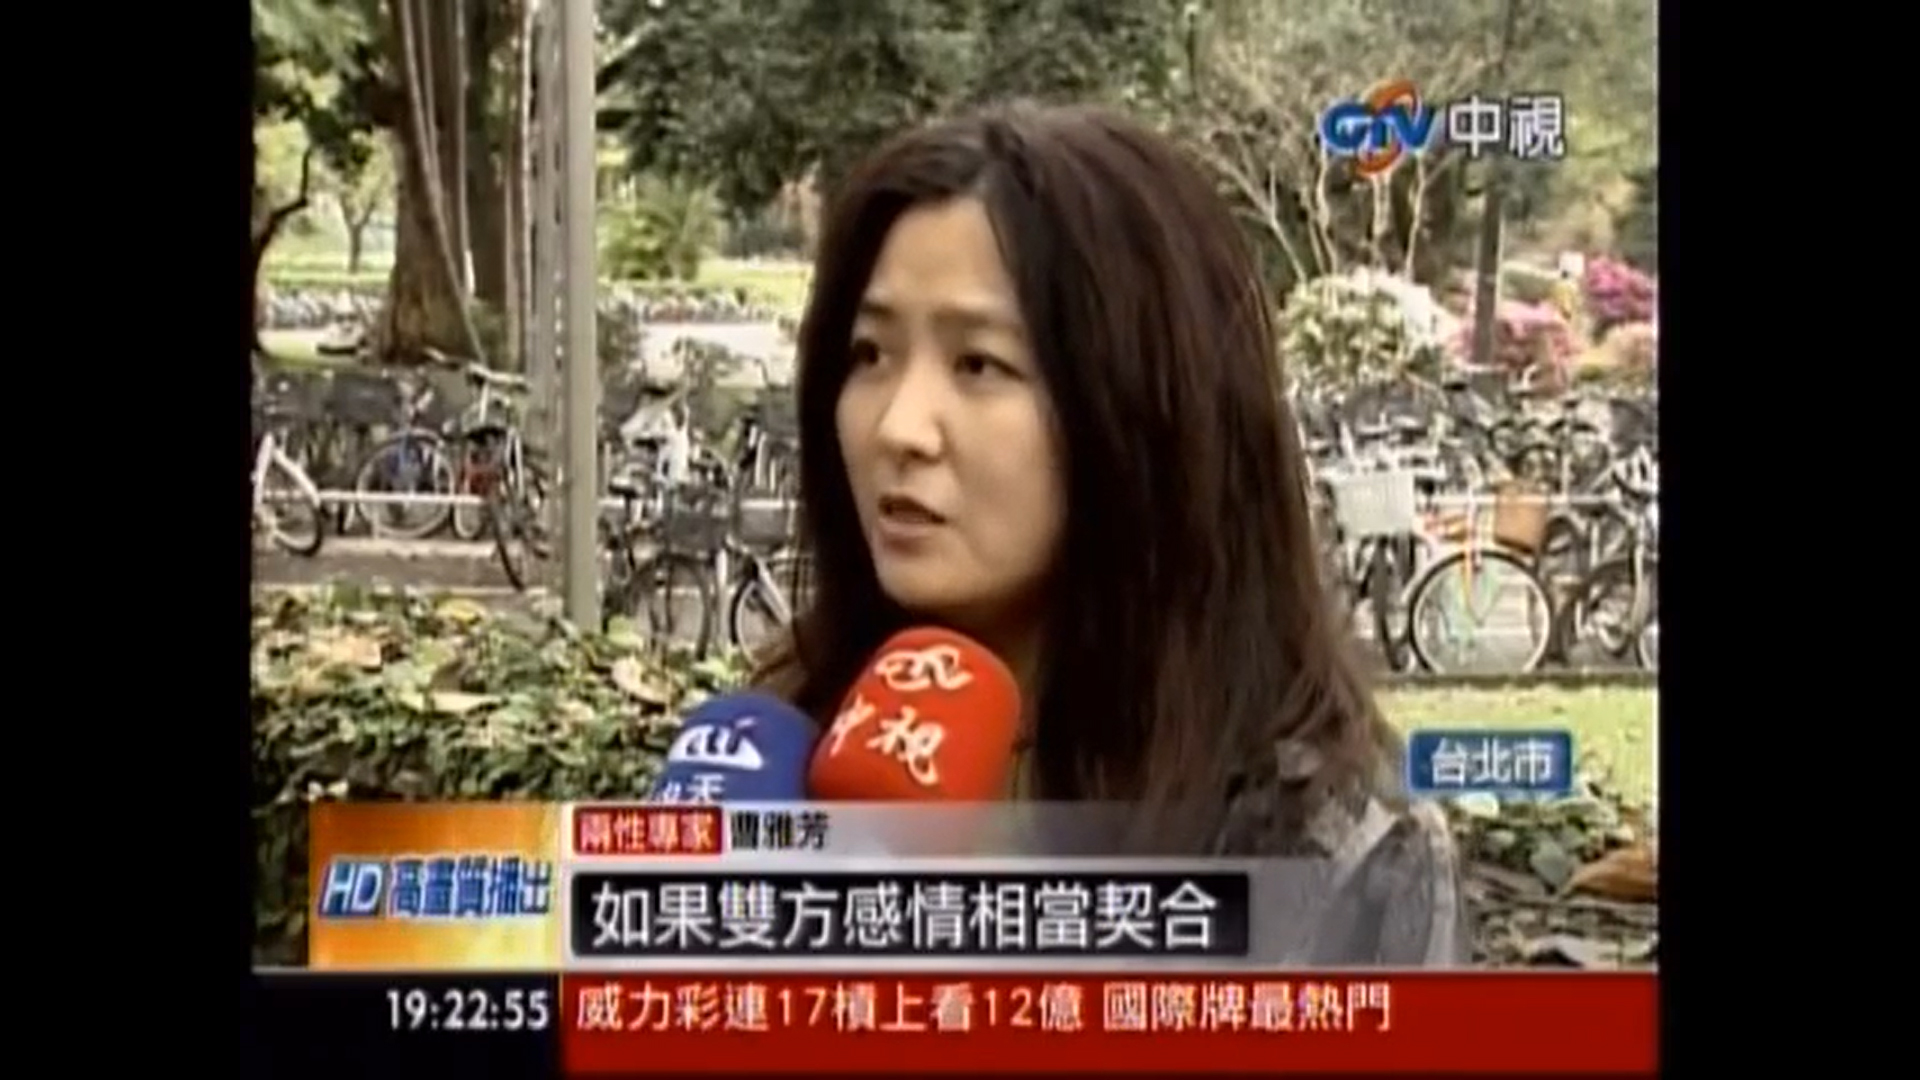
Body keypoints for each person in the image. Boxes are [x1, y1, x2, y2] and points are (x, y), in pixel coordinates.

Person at [753, 102, 1469, 965]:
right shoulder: (775, 755)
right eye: (870, 354)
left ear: (1145, 406)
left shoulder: (1339, 848)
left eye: (979, 364)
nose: (899, 427)